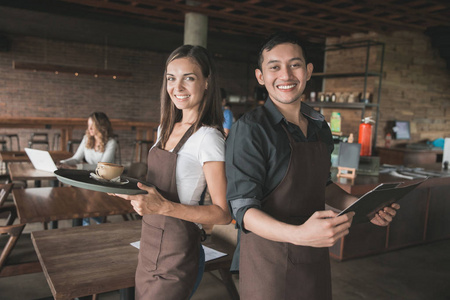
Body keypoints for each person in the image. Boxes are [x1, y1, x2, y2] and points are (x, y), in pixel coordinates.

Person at [225, 32, 400, 300]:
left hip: (314, 254)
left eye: (294, 65)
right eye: (274, 67)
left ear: (307, 71)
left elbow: (323, 185)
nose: (286, 75)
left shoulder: (320, 126)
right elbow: (243, 210)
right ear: (261, 77)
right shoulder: (250, 129)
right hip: (267, 261)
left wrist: (363, 204)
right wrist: (298, 235)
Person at [114, 45, 231, 299]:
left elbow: (222, 214)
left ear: (207, 82)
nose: (177, 88)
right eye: (171, 78)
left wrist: (163, 207)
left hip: (178, 253)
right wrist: (127, 189)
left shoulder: (208, 137)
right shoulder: (164, 128)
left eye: (188, 78)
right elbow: (156, 190)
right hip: (148, 245)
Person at [60, 111, 117, 225]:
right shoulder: (87, 138)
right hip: (89, 176)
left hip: (105, 179)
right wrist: (62, 163)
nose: (89, 128)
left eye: (92, 125)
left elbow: (103, 166)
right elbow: (76, 158)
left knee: (83, 193)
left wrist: (80, 167)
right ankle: (85, 221)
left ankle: (93, 220)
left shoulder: (111, 142)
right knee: (76, 192)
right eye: (88, 125)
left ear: (101, 126)